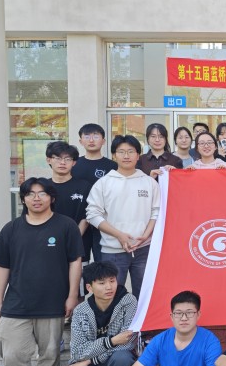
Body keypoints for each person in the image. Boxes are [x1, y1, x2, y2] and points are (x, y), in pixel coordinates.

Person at [0, 177, 84, 366]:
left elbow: (75, 262)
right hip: (16, 304)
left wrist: (72, 295)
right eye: (30, 194)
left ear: (52, 197)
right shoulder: (11, 229)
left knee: (50, 353)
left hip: (53, 303)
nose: (36, 198)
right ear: (23, 199)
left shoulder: (66, 226)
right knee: (12, 353)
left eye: (42, 193)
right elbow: (2, 266)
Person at [54, 261, 137, 366]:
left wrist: (90, 360)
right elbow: (78, 351)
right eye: (102, 283)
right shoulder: (81, 311)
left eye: (112, 281)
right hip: (91, 364)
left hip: (112, 360)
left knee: (122, 358)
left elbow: (128, 342)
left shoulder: (128, 302)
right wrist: (111, 341)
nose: (109, 287)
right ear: (89, 288)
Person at [86, 135, 160, 300]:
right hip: (112, 251)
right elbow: (92, 215)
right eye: (121, 152)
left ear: (138, 155)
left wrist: (145, 235)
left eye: (131, 151)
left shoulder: (149, 182)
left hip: (144, 250)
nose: (126, 156)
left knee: (145, 296)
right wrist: (119, 235)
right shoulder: (104, 183)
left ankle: (141, 320)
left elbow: (156, 212)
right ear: (114, 155)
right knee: (111, 297)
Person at [73, 123, 118, 263]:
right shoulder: (74, 165)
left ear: (103, 141)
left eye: (96, 136)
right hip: (79, 219)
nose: (91, 140)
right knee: (79, 261)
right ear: (80, 141)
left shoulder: (113, 166)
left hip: (104, 220)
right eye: (87, 136)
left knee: (103, 262)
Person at [45, 141, 91, 249]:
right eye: (58, 158)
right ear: (49, 160)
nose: (62, 162)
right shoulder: (43, 187)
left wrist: (73, 239)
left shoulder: (84, 186)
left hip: (78, 242)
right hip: (48, 242)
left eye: (68, 159)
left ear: (74, 162)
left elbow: (87, 216)